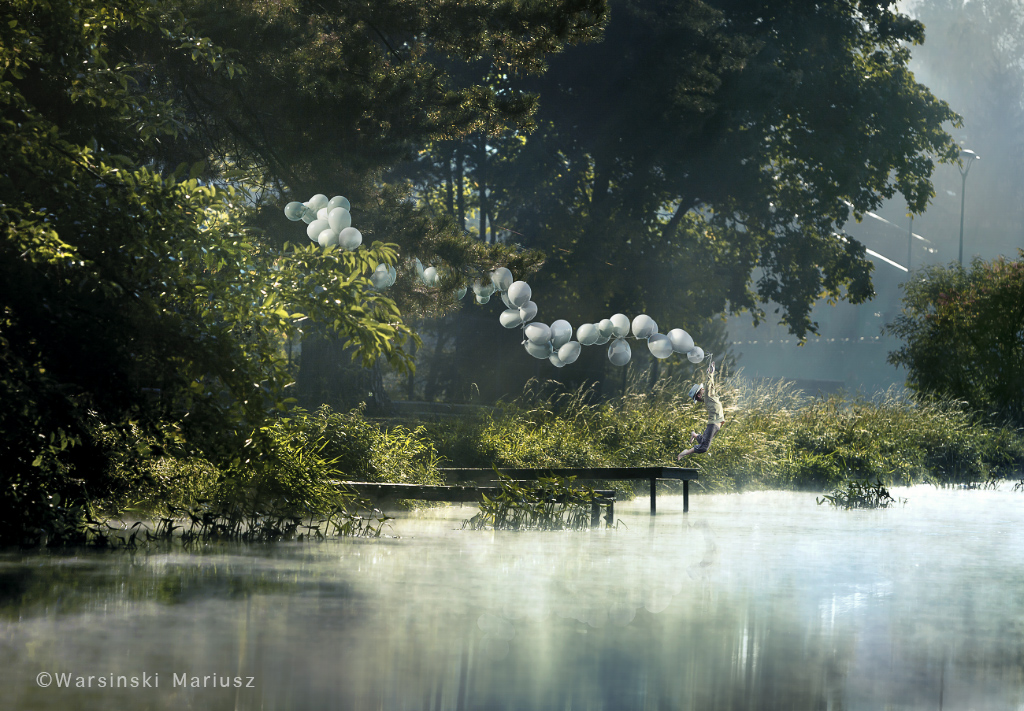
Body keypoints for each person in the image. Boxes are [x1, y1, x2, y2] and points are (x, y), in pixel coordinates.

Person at [677, 358, 724, 458]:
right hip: (714, 423)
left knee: (704, 441)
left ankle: (694, 435)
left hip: (717, 423)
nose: (704, 389)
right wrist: (710, 373)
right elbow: (708, 383)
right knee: (704, 447)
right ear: (699, 395)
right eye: (702, 389)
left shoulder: (710, 394)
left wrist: (712, 372)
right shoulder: (707, 396)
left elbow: (711, 385)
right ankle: (685, 452)